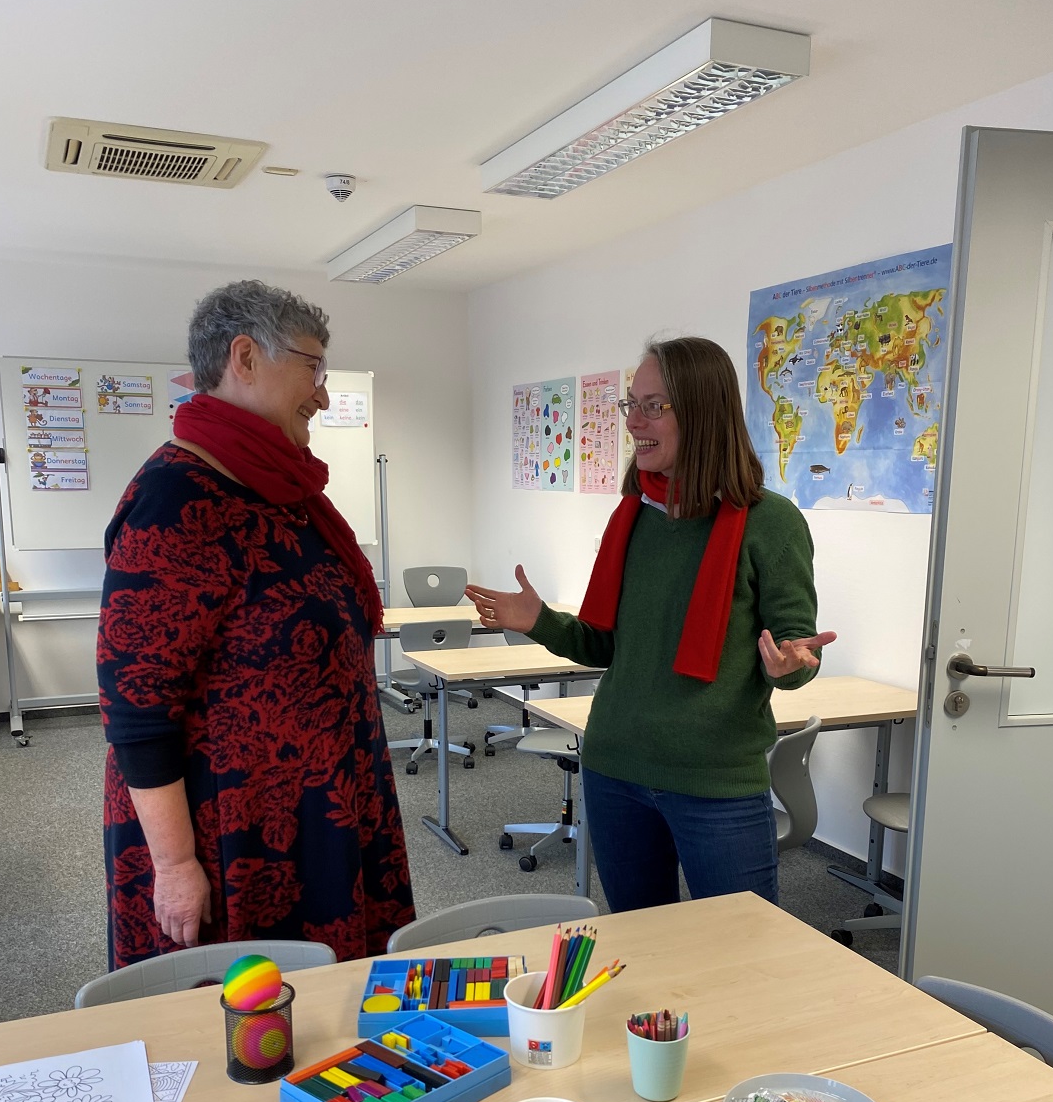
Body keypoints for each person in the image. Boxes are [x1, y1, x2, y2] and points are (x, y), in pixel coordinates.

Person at [97, 279, 414, 968]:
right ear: (244, 358)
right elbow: (137, 708)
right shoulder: (176, 498)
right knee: (245, 1010)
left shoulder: (276, 487)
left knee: (325, 1005)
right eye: (313, 369)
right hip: (236, 838)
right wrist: (174, 865)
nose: (322, 396)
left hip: (318, 811)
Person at [466, 336, 835, 913]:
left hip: (716, 781)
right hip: (615, 769)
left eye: (653, 406)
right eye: (630, 404)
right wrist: (538, 621)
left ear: (703, 413)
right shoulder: (633, 516)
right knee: (640, 943)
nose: (634, 422)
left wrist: (789, 665)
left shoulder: (770, 522)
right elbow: (604, 645)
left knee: (740, 946)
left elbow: (794, 649)